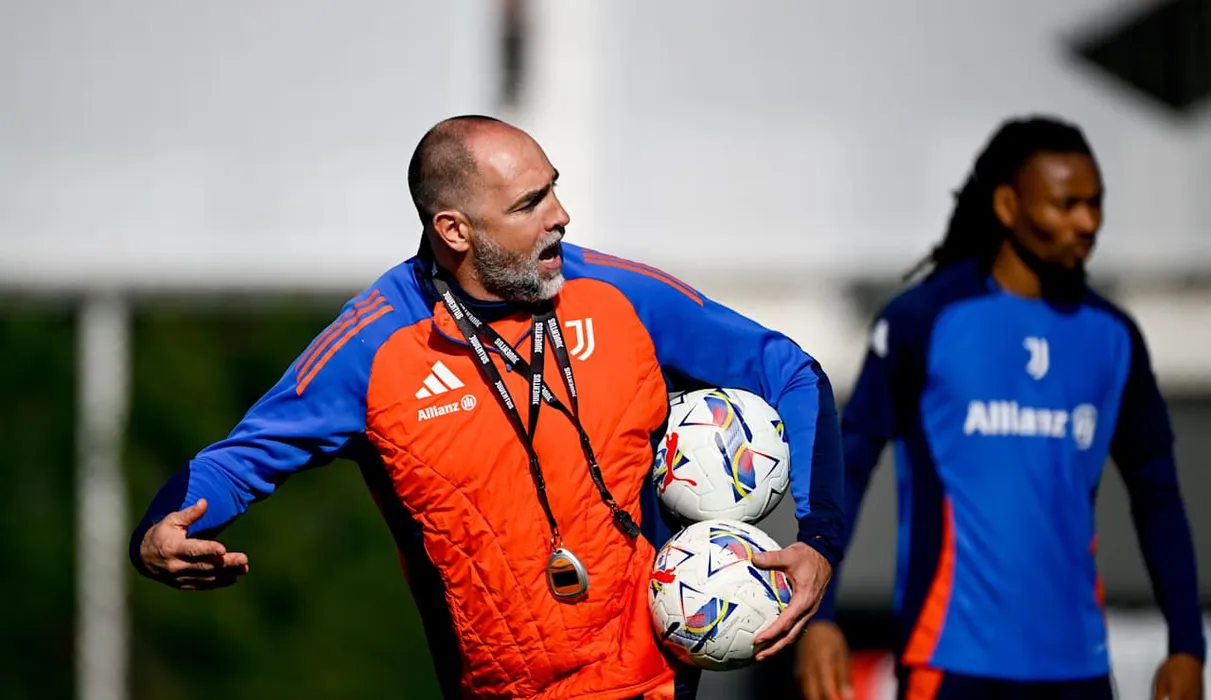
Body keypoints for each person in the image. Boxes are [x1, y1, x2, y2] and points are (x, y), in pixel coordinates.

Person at [130, 115, 844, 700]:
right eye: (529, 204)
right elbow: (237, 462)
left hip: (651, 679)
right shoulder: (372, 347)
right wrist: (158, 530)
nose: (560, 216)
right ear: (455, 231)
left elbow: (792, 373)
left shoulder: (618, 295)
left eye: (553, 189)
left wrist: (819, 537)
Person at [796, 116, 1205, 700]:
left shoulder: (1113, 337)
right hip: (950, 659)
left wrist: (1187, 643)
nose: (1087, 222)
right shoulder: (923, 320)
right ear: (1008, 206)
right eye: (1066, 205)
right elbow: (849, 465)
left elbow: (1157, 494)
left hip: (1078, 667)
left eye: (1095, 204)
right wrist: (821, 614)